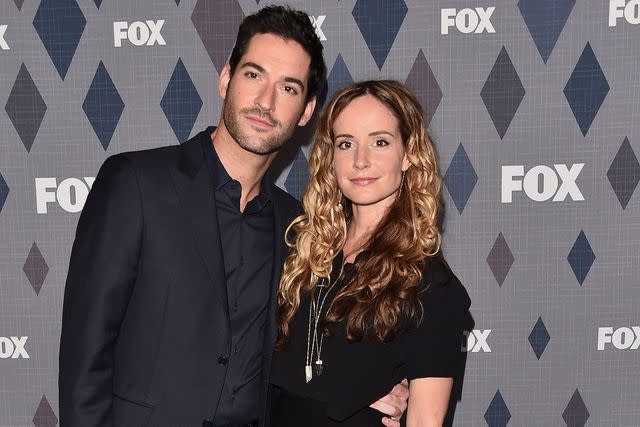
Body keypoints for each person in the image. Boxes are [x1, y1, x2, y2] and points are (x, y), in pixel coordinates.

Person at [59, 6, 408, 427]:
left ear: (306, 111)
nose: (266, 101)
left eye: (289, 88)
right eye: (254, 75)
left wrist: (372, 385)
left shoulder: (298, 226)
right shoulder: (136, 184)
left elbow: (302, 358)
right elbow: (86, 353)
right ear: (226, 79)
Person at [269, 80, 471, 426]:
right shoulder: (301, 253)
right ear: (330, 157)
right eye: (346, 144)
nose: (360, 160)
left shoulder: (431, 287)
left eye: (379, 142)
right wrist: (350, 395)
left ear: (409, 154)